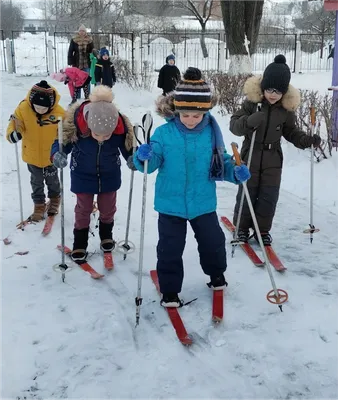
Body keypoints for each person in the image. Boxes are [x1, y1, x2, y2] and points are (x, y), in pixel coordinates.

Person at [130, 67, 250, 307]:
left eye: (196, 116)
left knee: (212, 242)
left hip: (203, 202)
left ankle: (216, 274)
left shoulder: (211, 135)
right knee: (170, 249)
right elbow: (151, 164)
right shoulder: (164, 134)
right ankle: (170, 290)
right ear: (177, 110)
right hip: (170, 203)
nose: (191, 120)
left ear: (205, 112)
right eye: (185, 115)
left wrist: (235, 171)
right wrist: (142, 157)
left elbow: (222, 161)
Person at [230, 54, 321, 245]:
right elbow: (234, 126)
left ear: (284, 93)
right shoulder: (251, 104)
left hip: (273, 158)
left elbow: (291, 132)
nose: (273, 94)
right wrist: (248, 121)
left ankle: (262, 231)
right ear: (263, 87)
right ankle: (241, 228)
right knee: (248, 193)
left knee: (268, 196)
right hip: (251, 154)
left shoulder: (285, 110)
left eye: (278, 91)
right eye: (269, 89)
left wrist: (306, 140)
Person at [51, 85, 134, 262]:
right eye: (97, 134)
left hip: (109, 173)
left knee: (108, 208)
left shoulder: (119, 127)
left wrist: (132, 157)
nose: (102, 138)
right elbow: (61, 141)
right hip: (82, 172)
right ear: (88, 125)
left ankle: (106, 236)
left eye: (107, 136)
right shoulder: (76, 123)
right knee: (83, 209)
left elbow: (128, 147)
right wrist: (58, 153)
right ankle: (80, 243)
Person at [6, 80, 65, 222]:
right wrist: (13, 134)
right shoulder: (23, 109)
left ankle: (55, 199)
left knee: (52, 180)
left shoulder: (60, 113)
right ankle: (39, 205)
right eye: (37, 108)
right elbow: (15, 124)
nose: (40, 111)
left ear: (51, 105)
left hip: (51, 156)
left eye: (44, 109)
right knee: (36, 182)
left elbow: (68, 129)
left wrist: (67, 142)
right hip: (32, 155)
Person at [67, 24, 94, 99]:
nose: (82, 32)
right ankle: (77, 97)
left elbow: (92, 50)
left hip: (86, 64)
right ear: (78, 32)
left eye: (83, 31)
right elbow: (70, 51)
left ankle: (88, 97)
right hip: (77, 64)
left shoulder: (89, 39)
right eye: (80, 31)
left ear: (85, 32)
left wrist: (94, 54)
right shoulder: (74, 39)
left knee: (86, 80)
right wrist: (71, 62)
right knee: (77, 81)